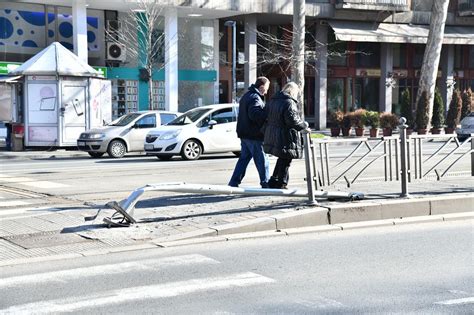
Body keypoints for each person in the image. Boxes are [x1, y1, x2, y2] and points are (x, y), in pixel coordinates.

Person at [263, 82, 309, 189]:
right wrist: (304, 126)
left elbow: (266, 115)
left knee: (282, 158)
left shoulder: (274, 100)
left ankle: (273, 180)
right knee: (286, 159)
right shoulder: (289, 102)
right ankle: (281, 182)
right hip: (285, 135)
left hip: (274, 133)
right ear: (293, 91)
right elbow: (292, 120)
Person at [228, 76, 270, 188]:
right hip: (254, 135)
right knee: (262, 159)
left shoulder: (247, 95)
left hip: (245, 134)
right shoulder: (255, 98)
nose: (266, 92)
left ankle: (234, 182)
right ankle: (265, 182)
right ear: (261, 87)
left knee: (244, 159)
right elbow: (254, 114)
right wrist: (267, 113)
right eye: (266, 89)